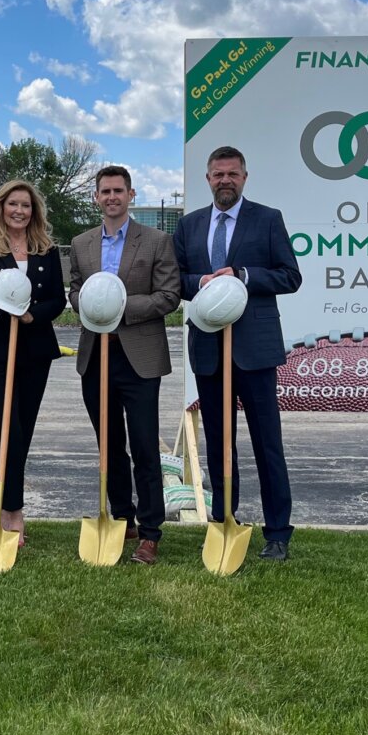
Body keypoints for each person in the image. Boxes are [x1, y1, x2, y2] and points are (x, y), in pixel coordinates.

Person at [173, 145, 302, 561]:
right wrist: (203, 283)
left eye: (232, 174)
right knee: (218, 443)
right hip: (209, 348)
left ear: (245, 177)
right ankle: (223, 522)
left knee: (268, 444)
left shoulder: (267, 219)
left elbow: (290, 276)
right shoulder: (190, 226)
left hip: (255, 350)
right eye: (217, 174)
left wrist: (242, 276)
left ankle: (278, 533)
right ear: (207, 179)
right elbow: (176, 280)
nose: (224, 180)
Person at [68, 165, 180, 565]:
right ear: (96, 197)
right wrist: (87, 304)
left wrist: (117, 307)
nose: (112, 197)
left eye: (119, 190)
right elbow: (75, 292)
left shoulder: (156, 241)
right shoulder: (81, 244)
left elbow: (169, 295)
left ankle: (151, 532)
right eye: (105, 191)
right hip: (95, 356)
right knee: (110, 446)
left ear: (131, 195)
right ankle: (122, 517)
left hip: (139, 357)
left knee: (146, 446)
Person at [0, 178, 66, 544]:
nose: (19, 211)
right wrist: (4, 309)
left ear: (33, 211)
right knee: (7, 429)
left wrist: (30, 316)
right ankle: (13, 512)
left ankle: (3, 504)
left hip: (36, 350)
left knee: (24, 428)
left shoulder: (46, 249)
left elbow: (58, 300)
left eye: (26, 205)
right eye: (13, 205)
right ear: (1, 208)